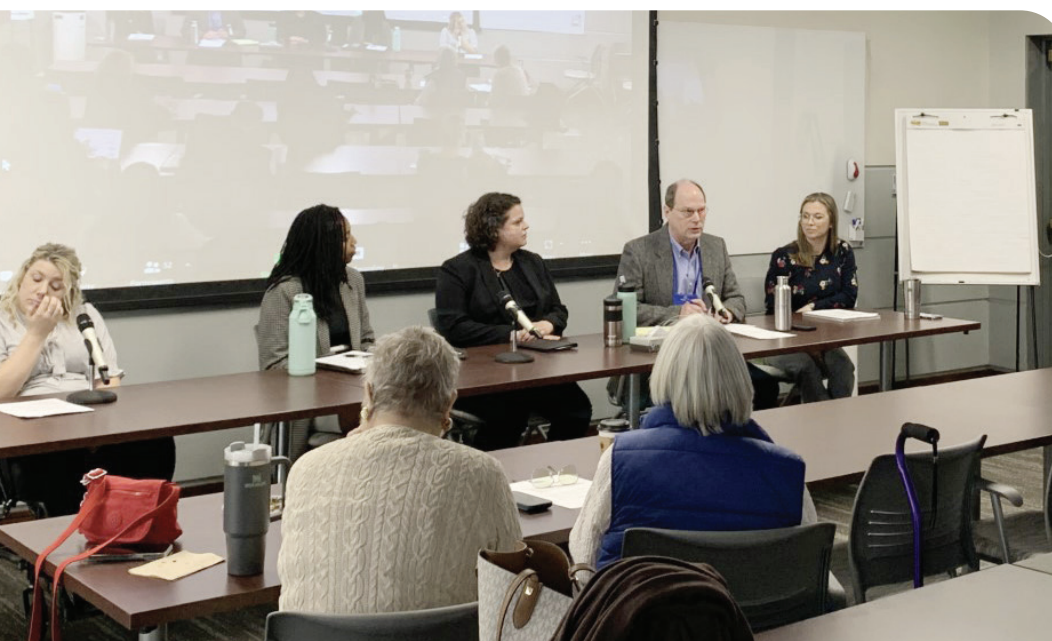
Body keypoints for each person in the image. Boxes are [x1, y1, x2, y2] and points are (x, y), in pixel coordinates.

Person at [277, 326, 521, 613]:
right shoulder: (483, 473)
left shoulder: (306, 468)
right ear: (450, 402)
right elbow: (512, 583)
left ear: (369, 392)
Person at [570, 315, 817, 569]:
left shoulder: (619, 460)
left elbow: (583, 556)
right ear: (740, 378)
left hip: (642, 606)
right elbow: (810, 561)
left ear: (664, 374)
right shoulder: (786, 472)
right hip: (751, 609)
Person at [0, 243, 175, 516]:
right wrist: (37, 333)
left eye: (55, 286)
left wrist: (104, 424)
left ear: (68, 292)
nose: (42, 291)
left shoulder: (84, 315)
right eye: (36, 279)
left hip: (87, 420)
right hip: (27, 429)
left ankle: (138, 523)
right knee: (62, 456)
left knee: (154, 441)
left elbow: (108, 379)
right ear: (21, 279)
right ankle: (72, 534)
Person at [435, 192, 593, 451]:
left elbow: (558, 310)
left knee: (576, 410)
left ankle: (551, 471)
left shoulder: (532, 263)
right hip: (485, 377)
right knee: (508, 418)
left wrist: (548, 325)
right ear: (494, 228)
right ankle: (494, 479)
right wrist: (512, 335)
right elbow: (455, 328)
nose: (526, 226)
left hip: (538, 370)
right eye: (517, 222)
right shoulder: (457, 270)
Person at [613, 179, 780, 410]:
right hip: (663, 359)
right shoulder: (639, 251)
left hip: (711, 354)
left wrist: (726, 312)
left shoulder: (715, 247)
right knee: (673, 399)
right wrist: (679, 313)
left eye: (702, 211)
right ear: (667, 212)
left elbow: (736, 299)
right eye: (688, 212)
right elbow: (627, 311)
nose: (697, 219)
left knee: (765, 388)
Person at [257, 205, 374, 458]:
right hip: (308, 400)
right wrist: (332, 376)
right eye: (345, 238)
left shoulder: (353, 281)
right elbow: (274, 365)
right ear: (324, 245)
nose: (354, 243)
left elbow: (366, 340)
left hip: (354, 392)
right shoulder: (284, 292)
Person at [763, 192, 858, 402]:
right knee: (806, 368)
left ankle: (838, 420)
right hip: (785, 339)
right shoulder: (784, 256)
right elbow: (773, 305)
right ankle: (825, 423)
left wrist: (813, 307)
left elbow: (849, 296)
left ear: (831, 221)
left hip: (824, 337)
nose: (809, 223)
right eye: (805, 216)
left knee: (843, 367)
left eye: (817, 217)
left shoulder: (842, 252)